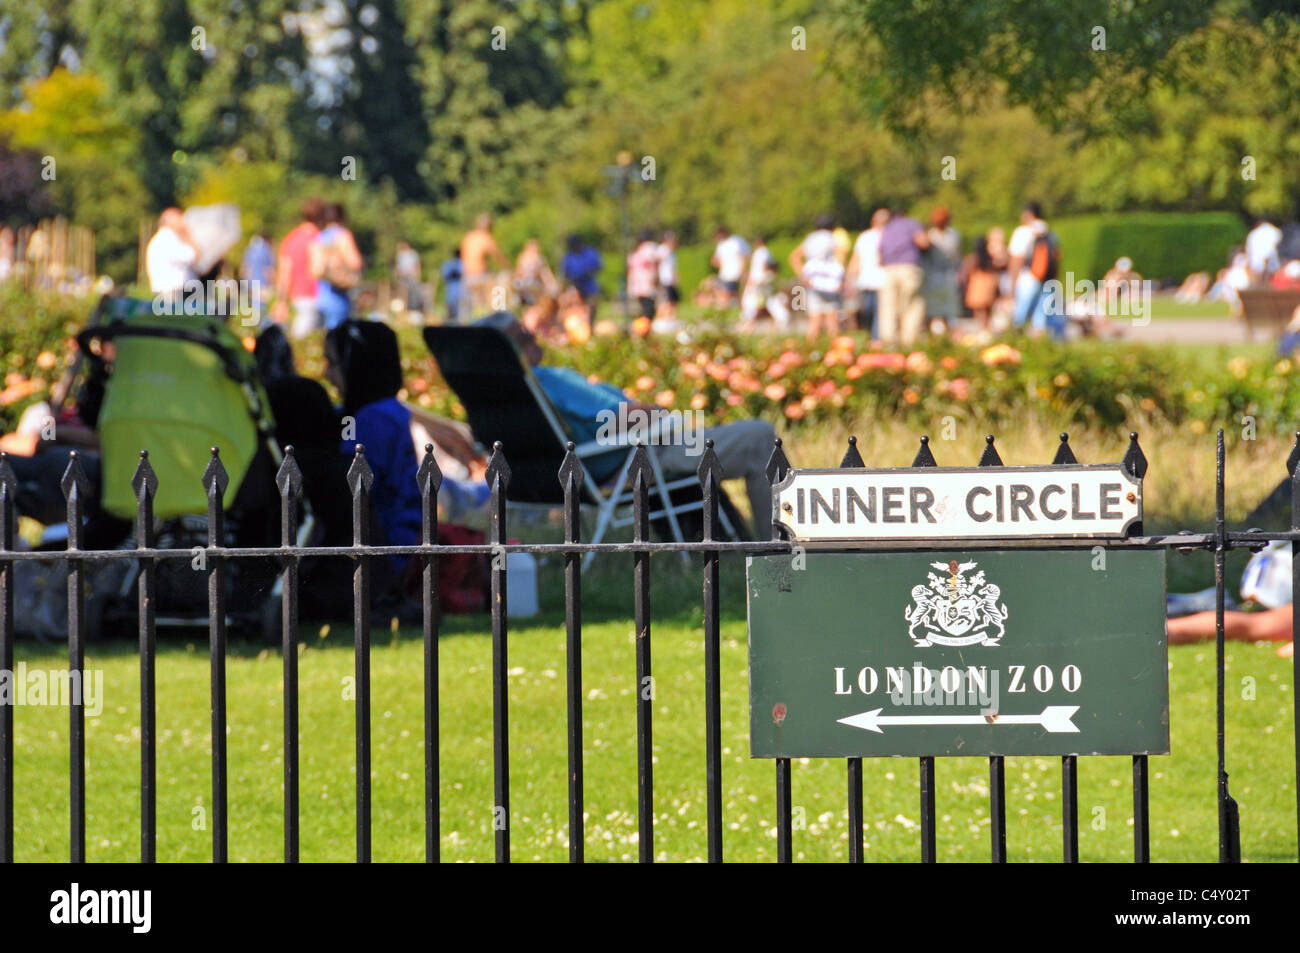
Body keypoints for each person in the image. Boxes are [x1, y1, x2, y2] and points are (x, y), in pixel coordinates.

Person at [482, 313, 778, 538]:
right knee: (760, 437)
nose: (532, 336)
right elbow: (622, 417)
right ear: (505, 352)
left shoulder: (499, 394)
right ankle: (776, 554)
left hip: (572, 473)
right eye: (522, 337)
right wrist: (664, 415)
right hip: (631, 459)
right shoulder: (548, 380)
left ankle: (732, 541)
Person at [324, 320, 422, 568]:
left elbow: (348, 485)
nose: (326, 374)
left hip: (385, 550)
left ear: (358, 366)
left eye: (333, 363)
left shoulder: (375, 418)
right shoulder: (372, 409)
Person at [876, 207, 930, 345]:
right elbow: (923, 242)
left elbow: (880, 253)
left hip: (888, 270)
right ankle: (909, 342)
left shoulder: (887, 228)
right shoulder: (911, 224)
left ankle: (889, 342)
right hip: (908, 269)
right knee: (912, 306)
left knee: (888, 307)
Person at [275, 198, 325, 338]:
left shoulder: (291, 239)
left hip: (297, 296)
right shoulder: (320, 239)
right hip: (317, 295)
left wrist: (281, 301)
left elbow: (285, 273)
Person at [789, 214, 844, 341]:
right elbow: (840, 258)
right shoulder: (832, 238)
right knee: (832, 320)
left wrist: (803, 276)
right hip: (829, 283)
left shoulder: (810, 239)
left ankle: (811, 351)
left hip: (813, 282)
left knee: (814, 321)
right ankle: (834, 354)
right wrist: (840, 279)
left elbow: (794, 257)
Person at [311, 202, 363, 331]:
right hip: (338, 298)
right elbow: (355, 262)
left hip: (320, 297)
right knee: (340, 339)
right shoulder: (342, 235)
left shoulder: (320, 237)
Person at [847, 208, 889, 339]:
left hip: (866, 281)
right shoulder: (889, 237)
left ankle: (872, 339)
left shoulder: (864, 236)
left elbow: (855, 261)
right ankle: (876, 341)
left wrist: (850, 280)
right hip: (883, 281)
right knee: (879, 314)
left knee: (869, 314)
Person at [459, 213, 509, 321]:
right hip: (480, 276)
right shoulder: (486, 238)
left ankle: (478, 317)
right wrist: (508, 268)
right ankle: (497, 318)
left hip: (466, 277)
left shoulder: (469, 237)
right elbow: (498, 257)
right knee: (498, 289)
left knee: (476, 304)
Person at [145, 208, 200, 298]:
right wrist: (187, 235)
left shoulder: (159, 239)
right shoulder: (169, 238)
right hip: (175, 292)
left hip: (168, 291)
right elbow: (193, 255)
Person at [961, 236, 1001, 330]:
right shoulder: (990, 258)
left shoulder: (973, 258)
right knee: (987, 312)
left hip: (977, 286)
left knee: (979, 312)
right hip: (989, 286)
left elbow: (965, 273)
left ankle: (982, 330)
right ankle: (985, 330)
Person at [740, 236, 778, 333]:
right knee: (763, 305)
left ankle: (750, 326)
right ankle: (772, 327)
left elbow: (764, 266)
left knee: (760, 305)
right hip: (760, 282)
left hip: (759, 283)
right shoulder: (765, 252)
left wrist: (754, 281)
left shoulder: (761, 252)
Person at [562, 234, 603, 318]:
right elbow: (565, 274)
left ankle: (590, 325)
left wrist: (587, 272)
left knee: (591, 306)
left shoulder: (590, 253)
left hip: (589, 286)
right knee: (575, 309)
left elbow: (598, 267)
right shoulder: (569, 256)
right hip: (575, 287)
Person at [626, 229, 660, 328]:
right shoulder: (649, 247)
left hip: (637, 284)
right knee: (649, 310)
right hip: (647, 283)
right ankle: (644, 329)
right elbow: (658, 259)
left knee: (643, 308)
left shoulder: (635, 251)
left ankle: (641, 327)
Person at [710, 227, 751, 308]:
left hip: (737, 273)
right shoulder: (720, 244)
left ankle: (742, 309)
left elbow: (747, 254)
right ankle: (732, 309)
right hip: (725, 274)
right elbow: (715, 260)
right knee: (725, 293)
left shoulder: (737, 241)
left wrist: (743, 267)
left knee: (736, 294)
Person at [240, 231, 275, 318]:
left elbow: (245, 268)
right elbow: (268, 269)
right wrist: (272, 283)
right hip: (262, 283)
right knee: (261, 310)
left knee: (252, 309)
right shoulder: (266, 249)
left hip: (251, 282)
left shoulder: (250, 249)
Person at [513, 238, 556, 307]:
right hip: (530, 282)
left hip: (522, 283)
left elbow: (518, 272)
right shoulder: (537, 258)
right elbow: (544, 273)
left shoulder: (522, 257)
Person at [1245, 216, 1283, 282]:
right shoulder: (1276, 232)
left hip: (1257, 267)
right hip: (1272, 267)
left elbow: (1249, 253)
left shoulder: (1253, 234)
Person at [656, 231, 680, 322]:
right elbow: (657, 261)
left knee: (673, 301)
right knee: (666, 302)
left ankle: (671, 319)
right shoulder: (663, 249)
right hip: (664, 280)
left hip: (670, 280)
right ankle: (663, 320)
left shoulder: (672, 253)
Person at [394, 241, 423, 316]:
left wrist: (418, 276)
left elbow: (417, 265)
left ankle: (413, 310)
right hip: (403, 277)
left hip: (412, 276)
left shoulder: (413, 254)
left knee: (413, 294)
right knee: (403, 294)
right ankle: (403, 311)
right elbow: (397, 265)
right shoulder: (400, 254)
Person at [440, 249, 464, 323]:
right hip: (455, 294)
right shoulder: (454, 264)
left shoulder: (450, 264)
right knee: (452, 317)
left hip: (456, 294)